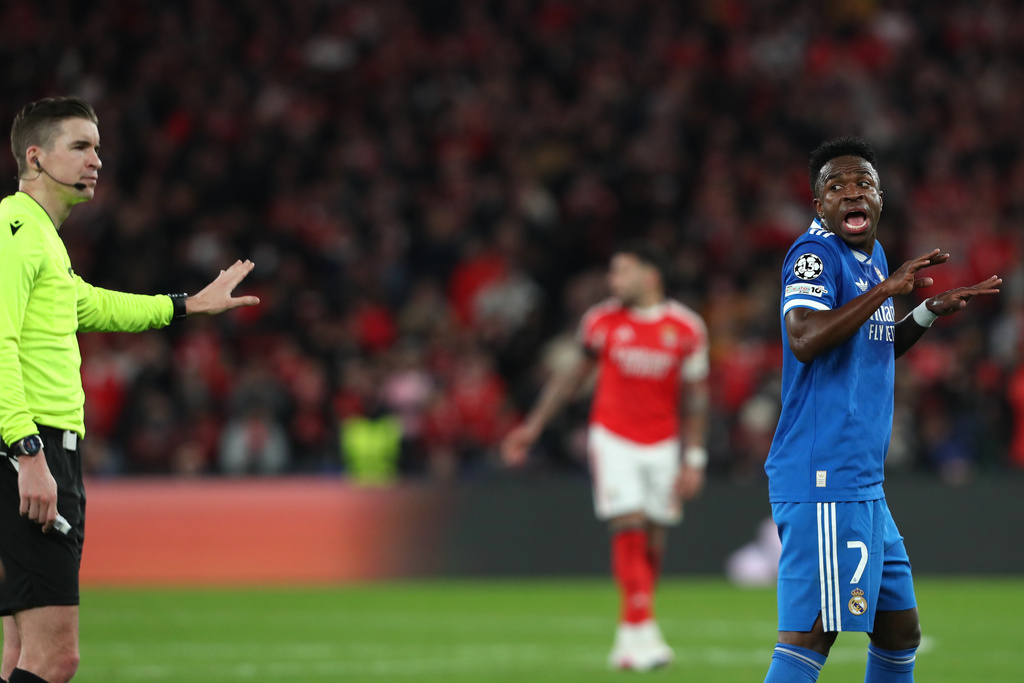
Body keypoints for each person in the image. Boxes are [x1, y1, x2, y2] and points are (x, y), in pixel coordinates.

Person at [0, 97, 260, 683]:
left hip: (35, 447)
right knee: (54, 658)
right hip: (32, 447)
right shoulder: (16, 229)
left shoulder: (39, 234)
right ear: (35, 157)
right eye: (81, 146)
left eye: (98, 147)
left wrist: (187, 304)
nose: (98, 159)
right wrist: (26, 452)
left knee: (18, 655)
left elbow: (91, 303)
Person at [762, 137, 1001, 683]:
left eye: (863, 184)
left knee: (899, 631)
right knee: (811, 635)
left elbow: (872, 342)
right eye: (837, 185)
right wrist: (886, 290)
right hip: (823, 473)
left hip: (862, 481)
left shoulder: (874, 260)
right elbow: (805, 337)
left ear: (880, 198)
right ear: (818, 204)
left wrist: (924, 312)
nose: (852, 192)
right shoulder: (814, 255)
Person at [501, 240, 709, 672]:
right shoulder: (600, 321)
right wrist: (534, 425)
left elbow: (696, 399)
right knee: (628, 522)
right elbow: (570, 379)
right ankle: (644, 627)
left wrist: (695, 459)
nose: (613, 281)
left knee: (654, 535)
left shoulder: (687, 328)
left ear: (650, 276)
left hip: (664, 443)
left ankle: (628, 635)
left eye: (622, 272)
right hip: (612, 437)